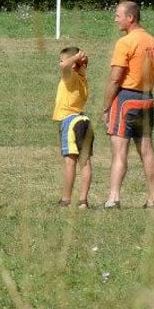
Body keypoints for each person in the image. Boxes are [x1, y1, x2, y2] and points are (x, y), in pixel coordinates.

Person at [101, 1, 154, 208]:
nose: (115, 19)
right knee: (147, 149)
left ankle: (114, 198)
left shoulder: (125, 42)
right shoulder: (153, 41)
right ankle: (153, 198)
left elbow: (115, 79)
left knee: (119, 151)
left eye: (118, 15)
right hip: (147, 99)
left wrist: (106, 107)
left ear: (130, 17)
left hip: (126, 98)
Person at [52, 46, 93, 208]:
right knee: (85, 162)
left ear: (73, 63)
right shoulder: (83, 77)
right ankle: (83, 201)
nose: (60, 63)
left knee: (70, 163)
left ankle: (66, 199)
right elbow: (78, 66)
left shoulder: (70, 76)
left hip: (70, 121)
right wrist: (80, 60)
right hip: (84, 120)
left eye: (62, 60)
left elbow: (64, 67)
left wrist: (74, 58)